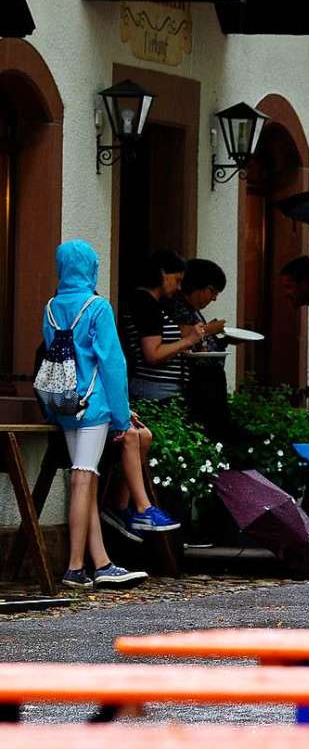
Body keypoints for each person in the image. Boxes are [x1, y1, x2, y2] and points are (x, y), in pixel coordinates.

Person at [42, 240, 148, 589]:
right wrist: (121, 417)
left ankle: (101, 562)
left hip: (63, 404)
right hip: (94, 406)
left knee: (83, 476)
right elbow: (113, 364)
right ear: (91, 268)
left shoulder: (52, 307)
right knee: (83, 477)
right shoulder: (98, 307)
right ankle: (75, 568)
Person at [122, 250, 206, 402]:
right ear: (162, 273)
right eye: (177, 280)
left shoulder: (153, 303)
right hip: (155, 389)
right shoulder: (146, 303)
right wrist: (188, 340)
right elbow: (153, 354)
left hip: (159, 388)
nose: (179, 287)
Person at [165, 259, 230, 440]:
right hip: (195, 380)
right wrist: (211, 329)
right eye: (212, 291)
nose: (214, 298)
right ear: (198, 286)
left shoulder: (192, 309)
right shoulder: (177, 305)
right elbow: (182, 333)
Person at [100, 413, 180, 542]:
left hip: (110, 413)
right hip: (95, 417)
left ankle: (120, 506)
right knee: (130, 435)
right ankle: (143, 508)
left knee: (145, 434)